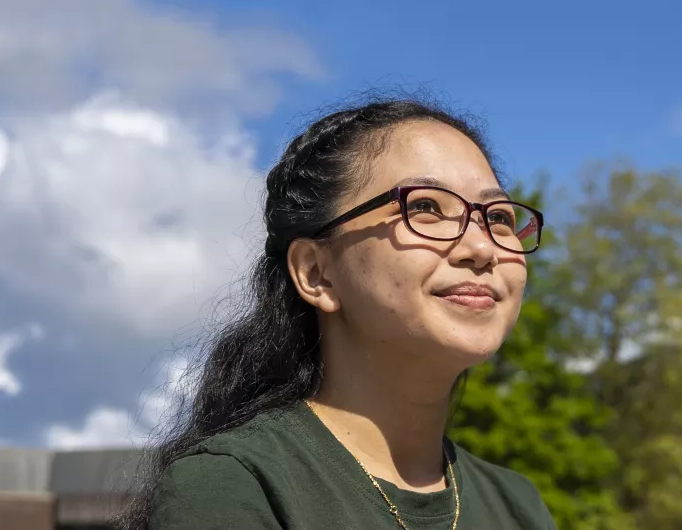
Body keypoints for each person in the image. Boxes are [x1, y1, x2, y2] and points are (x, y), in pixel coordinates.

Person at [117, 97, 555, 529]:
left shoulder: (518, 505)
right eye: (425, 207)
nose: (482, 248)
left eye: (497, 217)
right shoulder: (238, 485)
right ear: (316, 272)